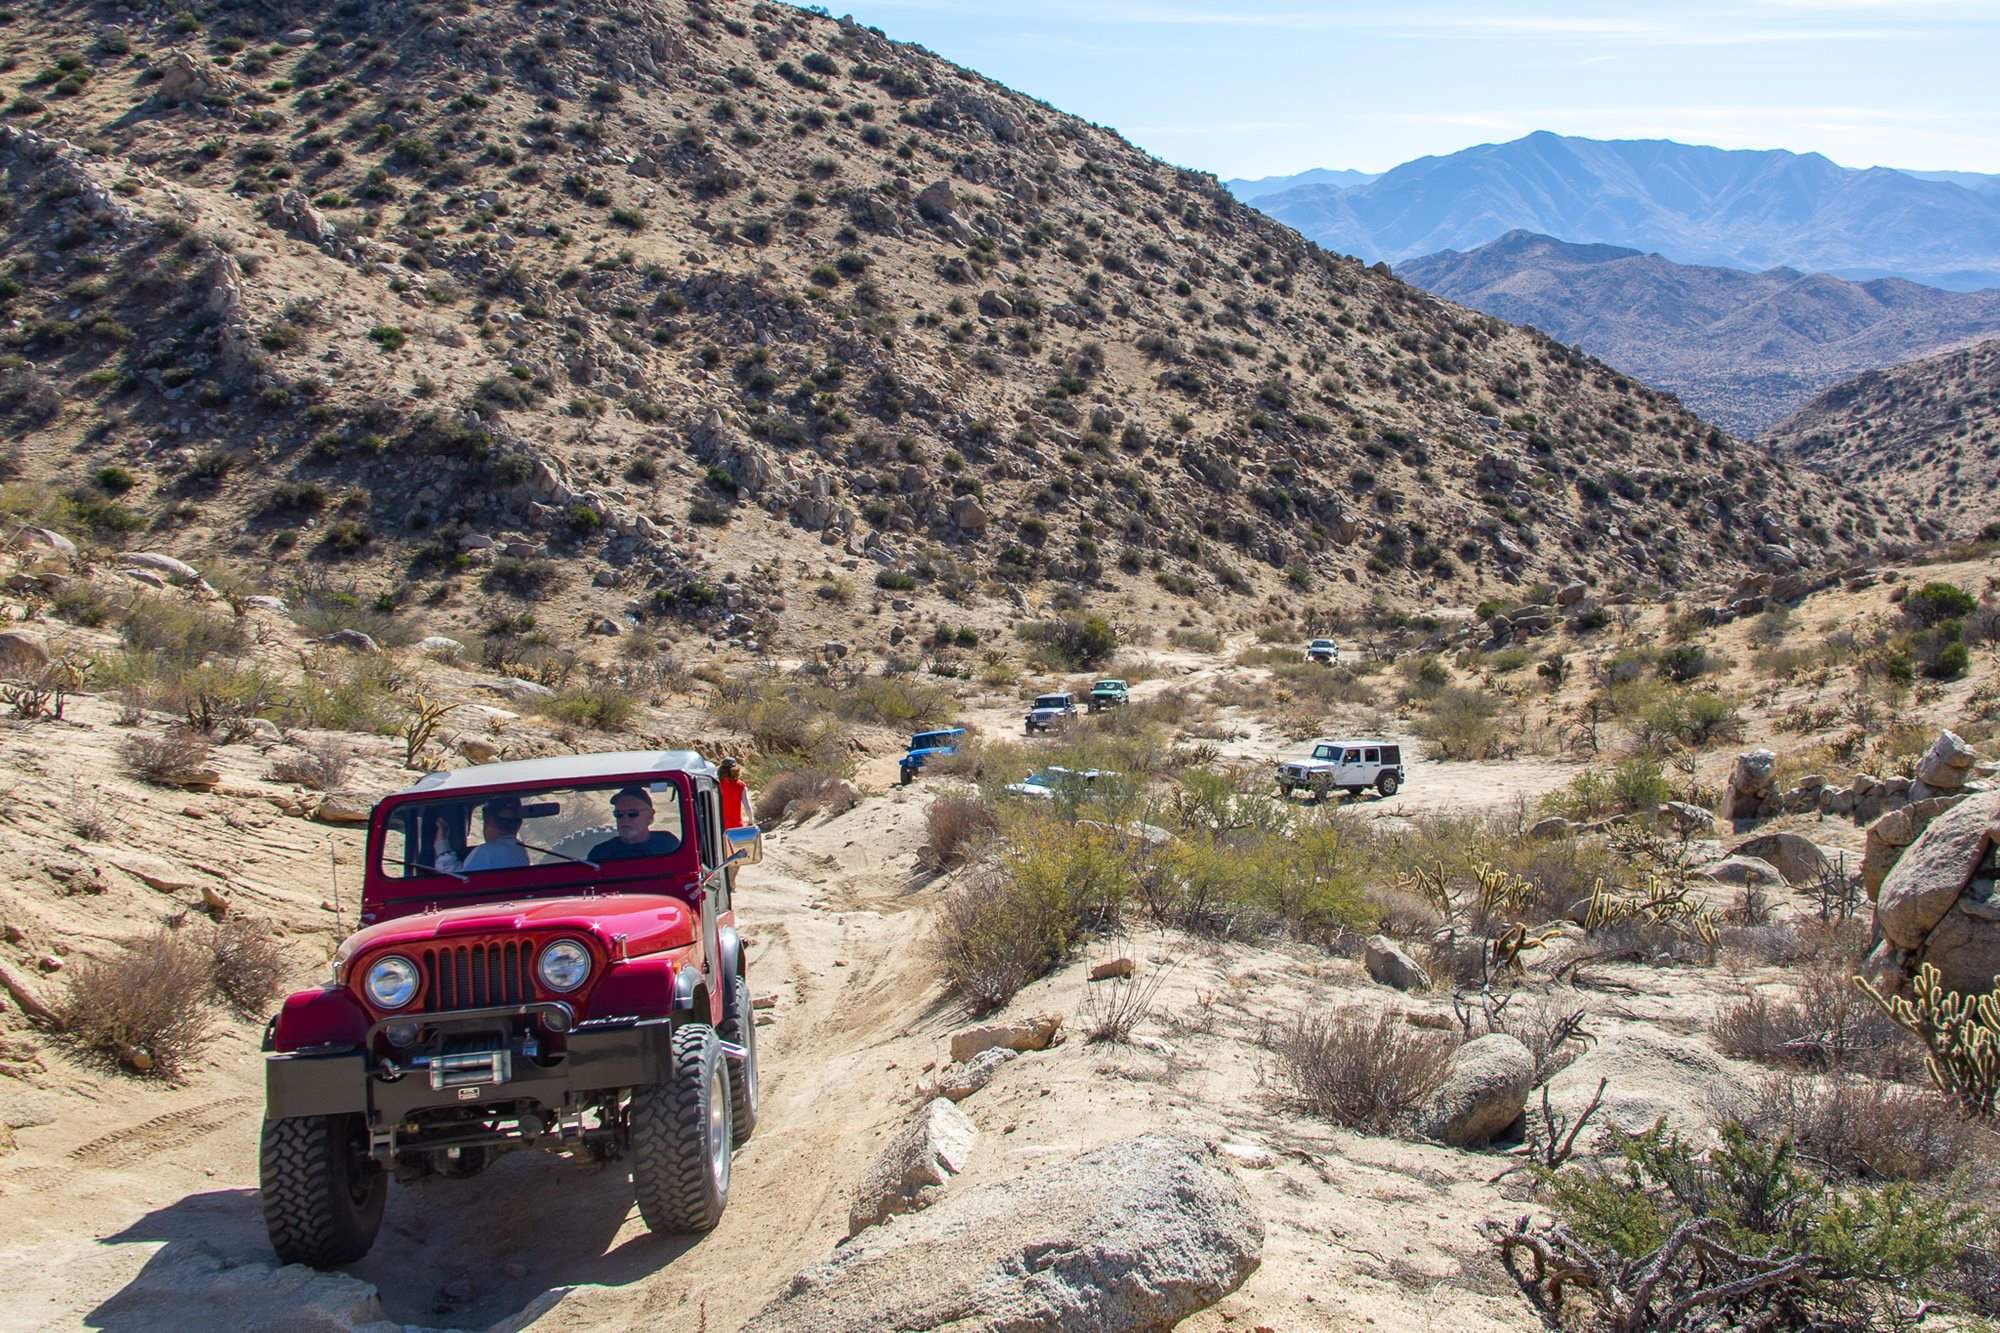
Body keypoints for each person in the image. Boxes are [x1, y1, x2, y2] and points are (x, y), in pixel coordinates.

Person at [434, 796, 530, 873]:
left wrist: (441, 842)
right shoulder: (519, 850)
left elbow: (457, 879)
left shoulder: (487, 852)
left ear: (488, 819)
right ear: (518, 824)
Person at [588, 786, 681, 862]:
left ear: (650, 816)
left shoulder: (668, 844)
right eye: (618, 814)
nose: (624, 819)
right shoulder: (600, 854)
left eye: (632, 814)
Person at [718, 757, 748, 830]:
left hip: (721, 826)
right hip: (737, 825)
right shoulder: (741, 785)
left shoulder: (719, 785)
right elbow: (747, 807)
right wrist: (750, 821)